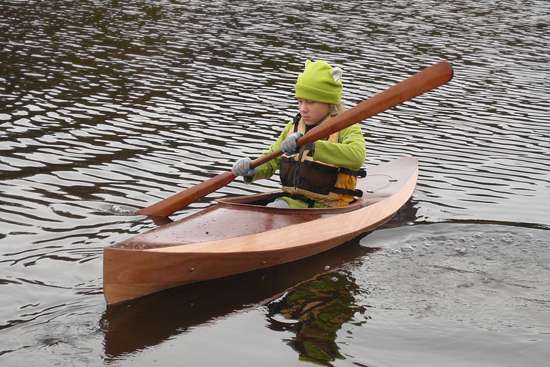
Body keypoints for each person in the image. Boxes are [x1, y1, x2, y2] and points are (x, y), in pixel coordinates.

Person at [232, 60, 366, 209]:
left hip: (330, 207)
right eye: (300, 101)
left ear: (329, 103)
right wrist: (251, 170)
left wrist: (312, 146)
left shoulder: (346, 126)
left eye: (310, 102)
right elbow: (271, 160)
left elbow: (357, 156)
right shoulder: (293, 127)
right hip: (292, 203)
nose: (303, 109)